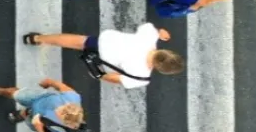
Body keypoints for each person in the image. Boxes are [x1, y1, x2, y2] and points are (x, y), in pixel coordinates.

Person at [22, 23, 183, 88]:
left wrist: (159, 33)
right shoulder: (141, 78)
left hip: (106, 41)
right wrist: (99, 75)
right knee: (82, 47)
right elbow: (112, 78)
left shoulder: (149, 38)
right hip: (104, 59)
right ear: (161, 69)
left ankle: (36, 38)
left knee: (78, 41)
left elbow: (147, 27)